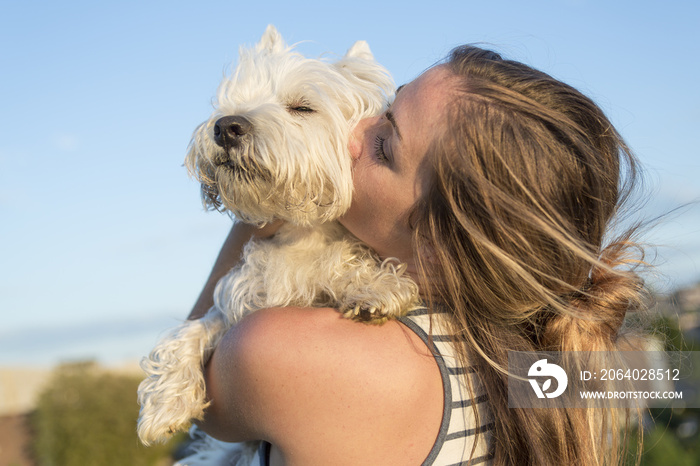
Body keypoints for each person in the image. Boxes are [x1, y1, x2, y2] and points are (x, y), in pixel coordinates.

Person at [189, 45, 649, 465]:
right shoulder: (537, 361)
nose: (353, 133)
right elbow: (667, 376)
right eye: (385, 111)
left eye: (384, 147)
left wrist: (259, 209)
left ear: (437, 247)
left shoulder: (287, 351)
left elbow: (196, 397)